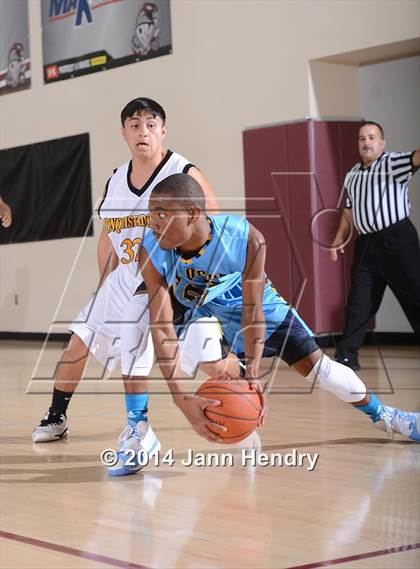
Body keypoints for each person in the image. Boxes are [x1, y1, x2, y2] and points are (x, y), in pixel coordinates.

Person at [32, 98, 240, 476]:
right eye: (134, 124)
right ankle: (58, 416)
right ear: (124, 132)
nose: (142, 131)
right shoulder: (116, 179)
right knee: (78, 342)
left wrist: (194, 282)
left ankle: (234, 390)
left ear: (163, 130)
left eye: (150, 124)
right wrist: (103, 286)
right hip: (123, 279)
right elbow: (108, 239)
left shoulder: (182, 171)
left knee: (196, 360)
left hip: (169, 280)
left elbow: (216, 227)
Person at [138, 173, 420, 442]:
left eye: (161, 214)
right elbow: (161, 323)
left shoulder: (246, 239)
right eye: (151, 214)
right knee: (190, 348)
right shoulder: (151, 247)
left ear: (192, 214)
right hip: (195, 308)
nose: (153, 224)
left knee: (320, 370)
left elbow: (252, 310)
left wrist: (253, 375)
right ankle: (140, 430)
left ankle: (387, 416)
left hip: (249, 307)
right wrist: (180, 397)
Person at [331, 121, 420, 370]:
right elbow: (348, 212)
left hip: (397, 240)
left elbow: (416, 157)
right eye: (362, 138)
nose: (366, 142)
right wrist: (339, 238)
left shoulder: (393, 163)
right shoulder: (352, 175)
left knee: (415, 297)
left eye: (372, 137)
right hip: (367, 245)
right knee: (359, 302)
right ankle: (346, 357)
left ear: (382, 142)